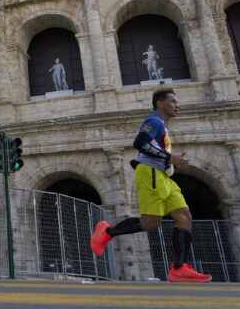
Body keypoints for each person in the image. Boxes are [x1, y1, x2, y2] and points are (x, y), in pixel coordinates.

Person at [90, 89, 211, 282]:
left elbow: (153, 147)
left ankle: (180, 268)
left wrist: (171, 160)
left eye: (177, 101)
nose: (177, 105)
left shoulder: (162, 125)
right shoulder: (154, 120)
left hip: (163, 176)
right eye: (173, 101)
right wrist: (169, 157)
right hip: (150, 173)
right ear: (160, 104)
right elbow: (140, 142)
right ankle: (107, 232)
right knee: (150, 222)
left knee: (184, 216)